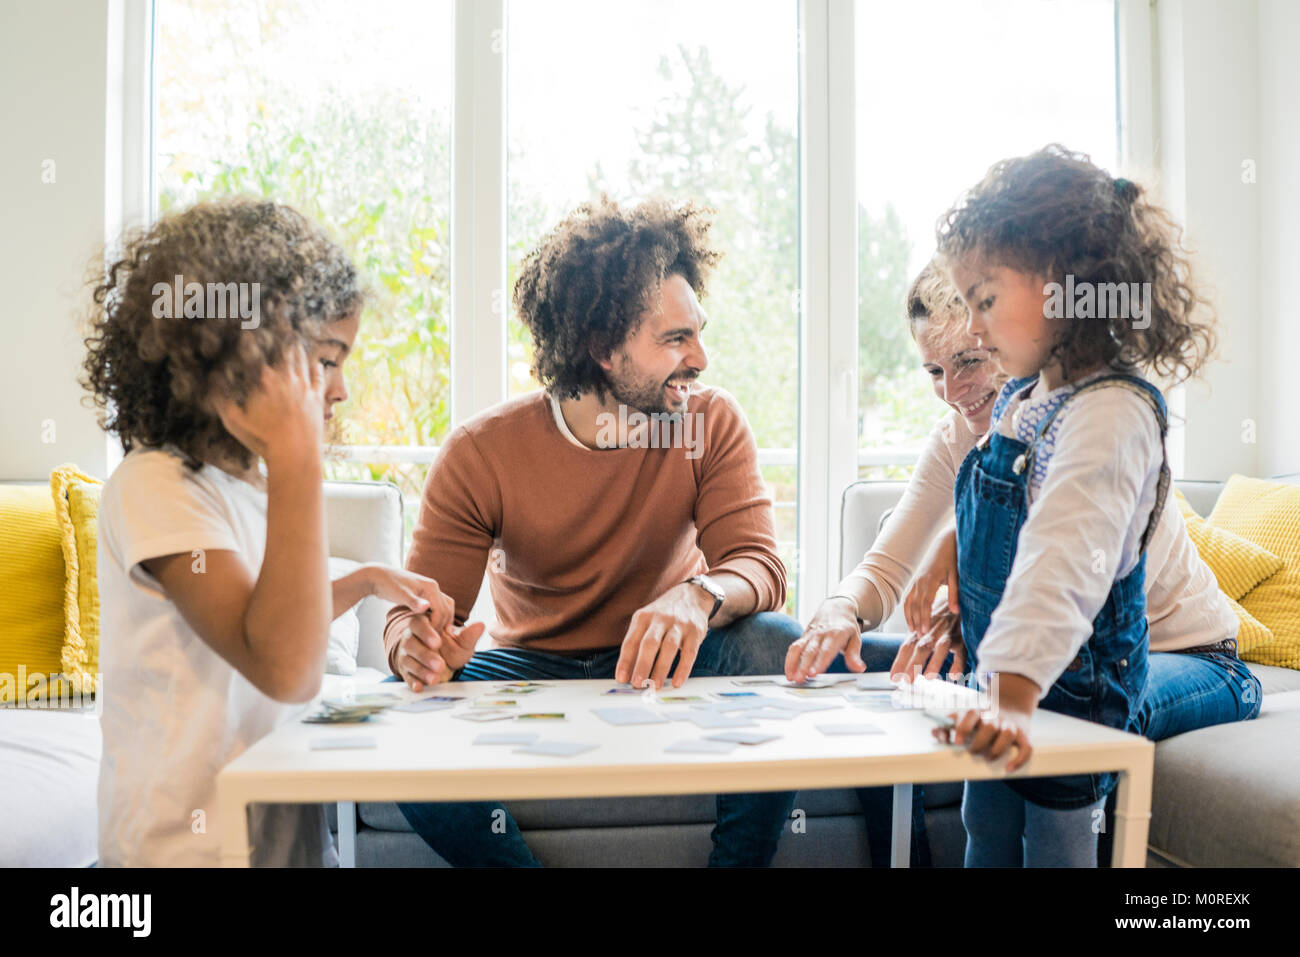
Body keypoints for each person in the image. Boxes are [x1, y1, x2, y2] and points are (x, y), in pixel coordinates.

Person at [788, 256, 1259, 865]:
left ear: (1008, 343)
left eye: (968, 361)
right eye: (934, 369)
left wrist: (971, 614)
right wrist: (838, 609)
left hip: (1190, 660)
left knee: (1050, 716)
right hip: (1042, 657)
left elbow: (1074, 583)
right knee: (891, 683)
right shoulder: (960, 439)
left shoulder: (1093, 422)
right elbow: (885, 567)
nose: (953, 391)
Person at [385, 196, 802, 867]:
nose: (700, 357)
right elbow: (420, 615)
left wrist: (697, 593)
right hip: (527, 666)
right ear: (601, 348)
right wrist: (414, 645)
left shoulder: (710, 420)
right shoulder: (482, 451)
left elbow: (759, 565)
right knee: (395, 715)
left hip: (666, 658)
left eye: (698, 331)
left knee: (776, 641)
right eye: (674, 339)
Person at [86, 198, 470, 866]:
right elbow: (286, 665)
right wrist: (298, 455)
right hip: (185, 850)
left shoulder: (249, 487)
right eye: (327, 359)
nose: (341, 388)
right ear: (242, 354)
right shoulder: (156, 487)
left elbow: (266, 610)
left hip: (279, 848)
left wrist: (369, 581)